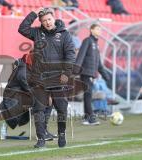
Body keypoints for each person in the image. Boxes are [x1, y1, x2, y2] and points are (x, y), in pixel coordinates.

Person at [18, 7, 76, 148]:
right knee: (39, 109)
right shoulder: (37, 33)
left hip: (58, 78)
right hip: (40, 79)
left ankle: (61, 135)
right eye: (44, 21)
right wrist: (33, 13)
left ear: (54, 18)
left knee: (62, 109)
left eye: (49, 19)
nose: (47, 23)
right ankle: (41, 139)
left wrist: (66, 74)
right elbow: (22, 28)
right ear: (41, 22)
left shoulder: (64, 34)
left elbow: (70, 55)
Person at [75, 24, 110, 125]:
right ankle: (91, 118)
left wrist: (106, 76)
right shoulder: (87, 41)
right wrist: (76, 69)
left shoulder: (96, 44)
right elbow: (81, 55)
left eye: (100, 29)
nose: (100, 31)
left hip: (91, 74)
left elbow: (99, 63)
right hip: (86, 73)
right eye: (97, 29)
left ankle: (87, 117)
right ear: (91, 30)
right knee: (88, 95)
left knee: (88, 95)